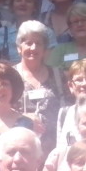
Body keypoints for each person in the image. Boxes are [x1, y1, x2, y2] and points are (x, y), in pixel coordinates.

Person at [13, 20, 63, 156]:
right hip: (20, 151)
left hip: (54, 152)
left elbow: (69, 110)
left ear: (45, 49)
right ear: (19, 47)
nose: (33, 48)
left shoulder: (59, 76)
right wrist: (20, 116)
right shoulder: (9, 76)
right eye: (28, 43)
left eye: (38, 43)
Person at [0, 0, 49, 64]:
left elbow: (50, 63)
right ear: (12, 6)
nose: (23, 3)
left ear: (35, 7)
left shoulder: (46, 32)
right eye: (18, 0)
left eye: (28, 1)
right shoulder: (2, 33)